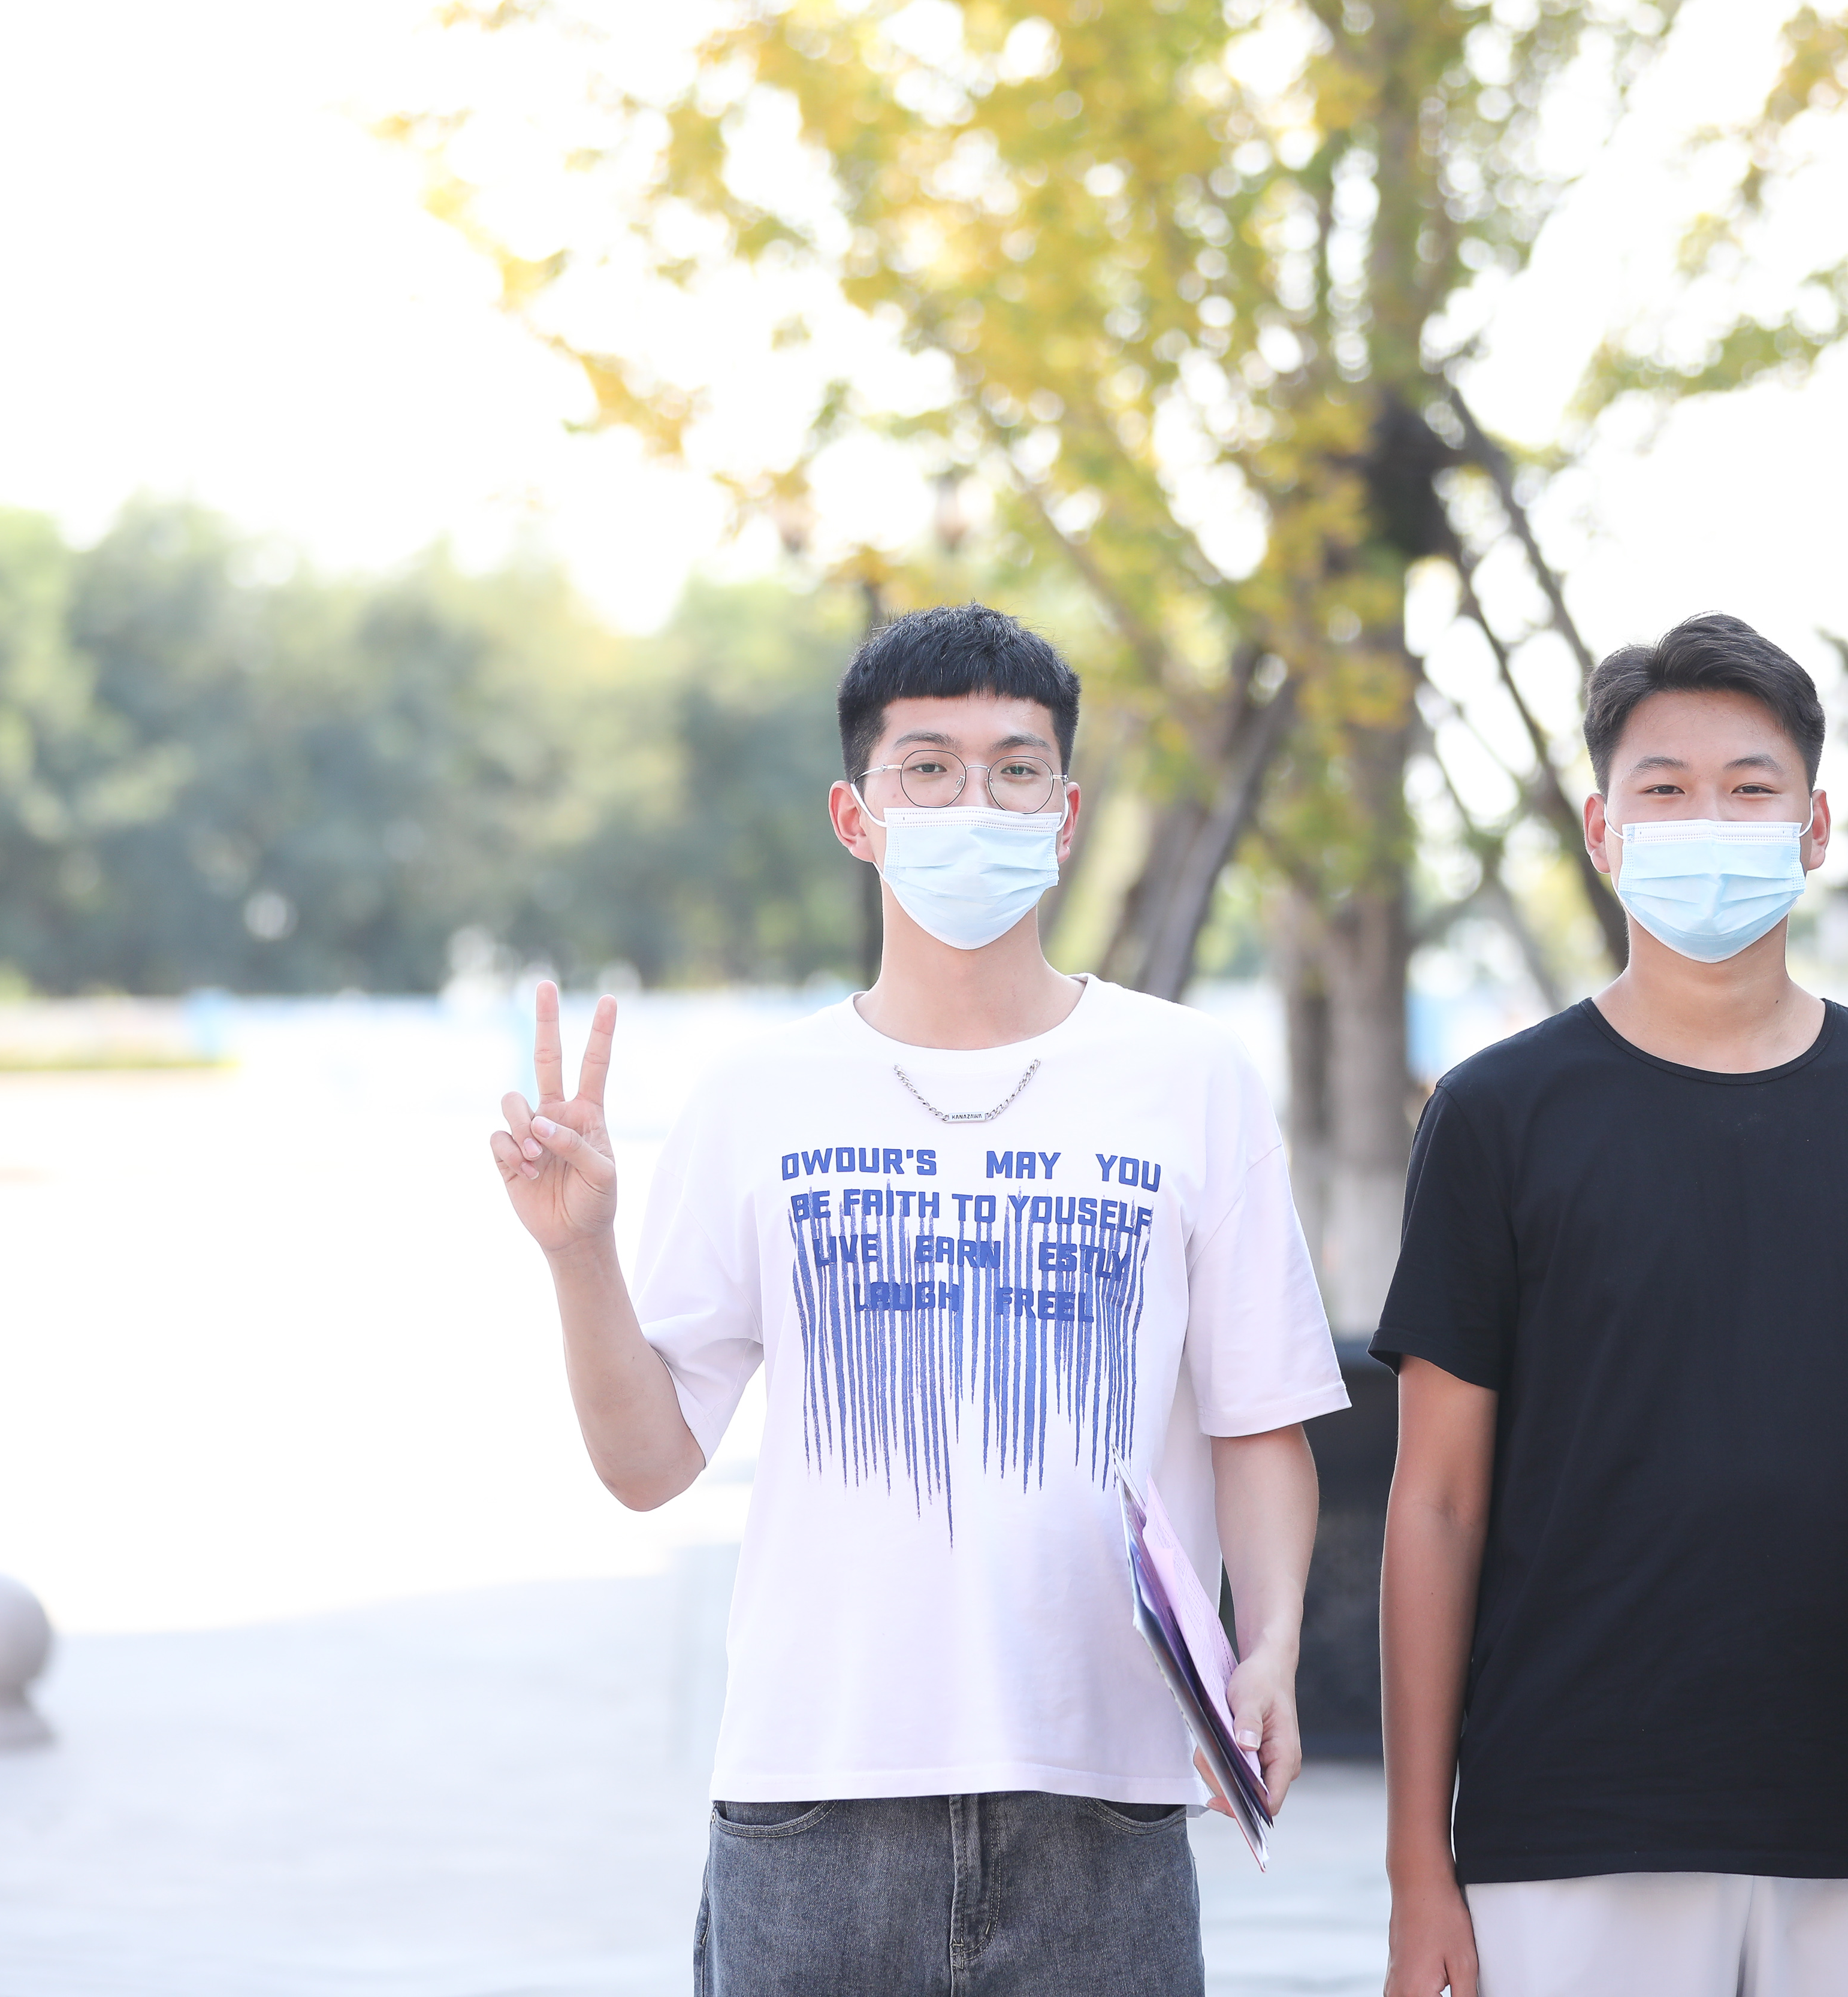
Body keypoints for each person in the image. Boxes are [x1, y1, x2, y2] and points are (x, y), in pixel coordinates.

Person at [489, 603, 1346, 1997]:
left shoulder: (1190, 1076)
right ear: (857, 815)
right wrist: (578, 1254)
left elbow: (1260, 1416)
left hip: (1105, 1796)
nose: (974, 802)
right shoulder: (757, 1096)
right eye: (929, 768)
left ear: (1066, 815)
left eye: (1016, 769)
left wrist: (1273, 1646)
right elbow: (647, 1464)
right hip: (813, 1803)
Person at [1374, 614, 1848, 1997]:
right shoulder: (1497, 1116)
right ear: (1601, 827)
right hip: (1571, 1821)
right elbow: (1436, 1502)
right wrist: (1414, 1868)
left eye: (1750, 788)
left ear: (1814, 828)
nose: (1709, 821)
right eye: (1666, 788)